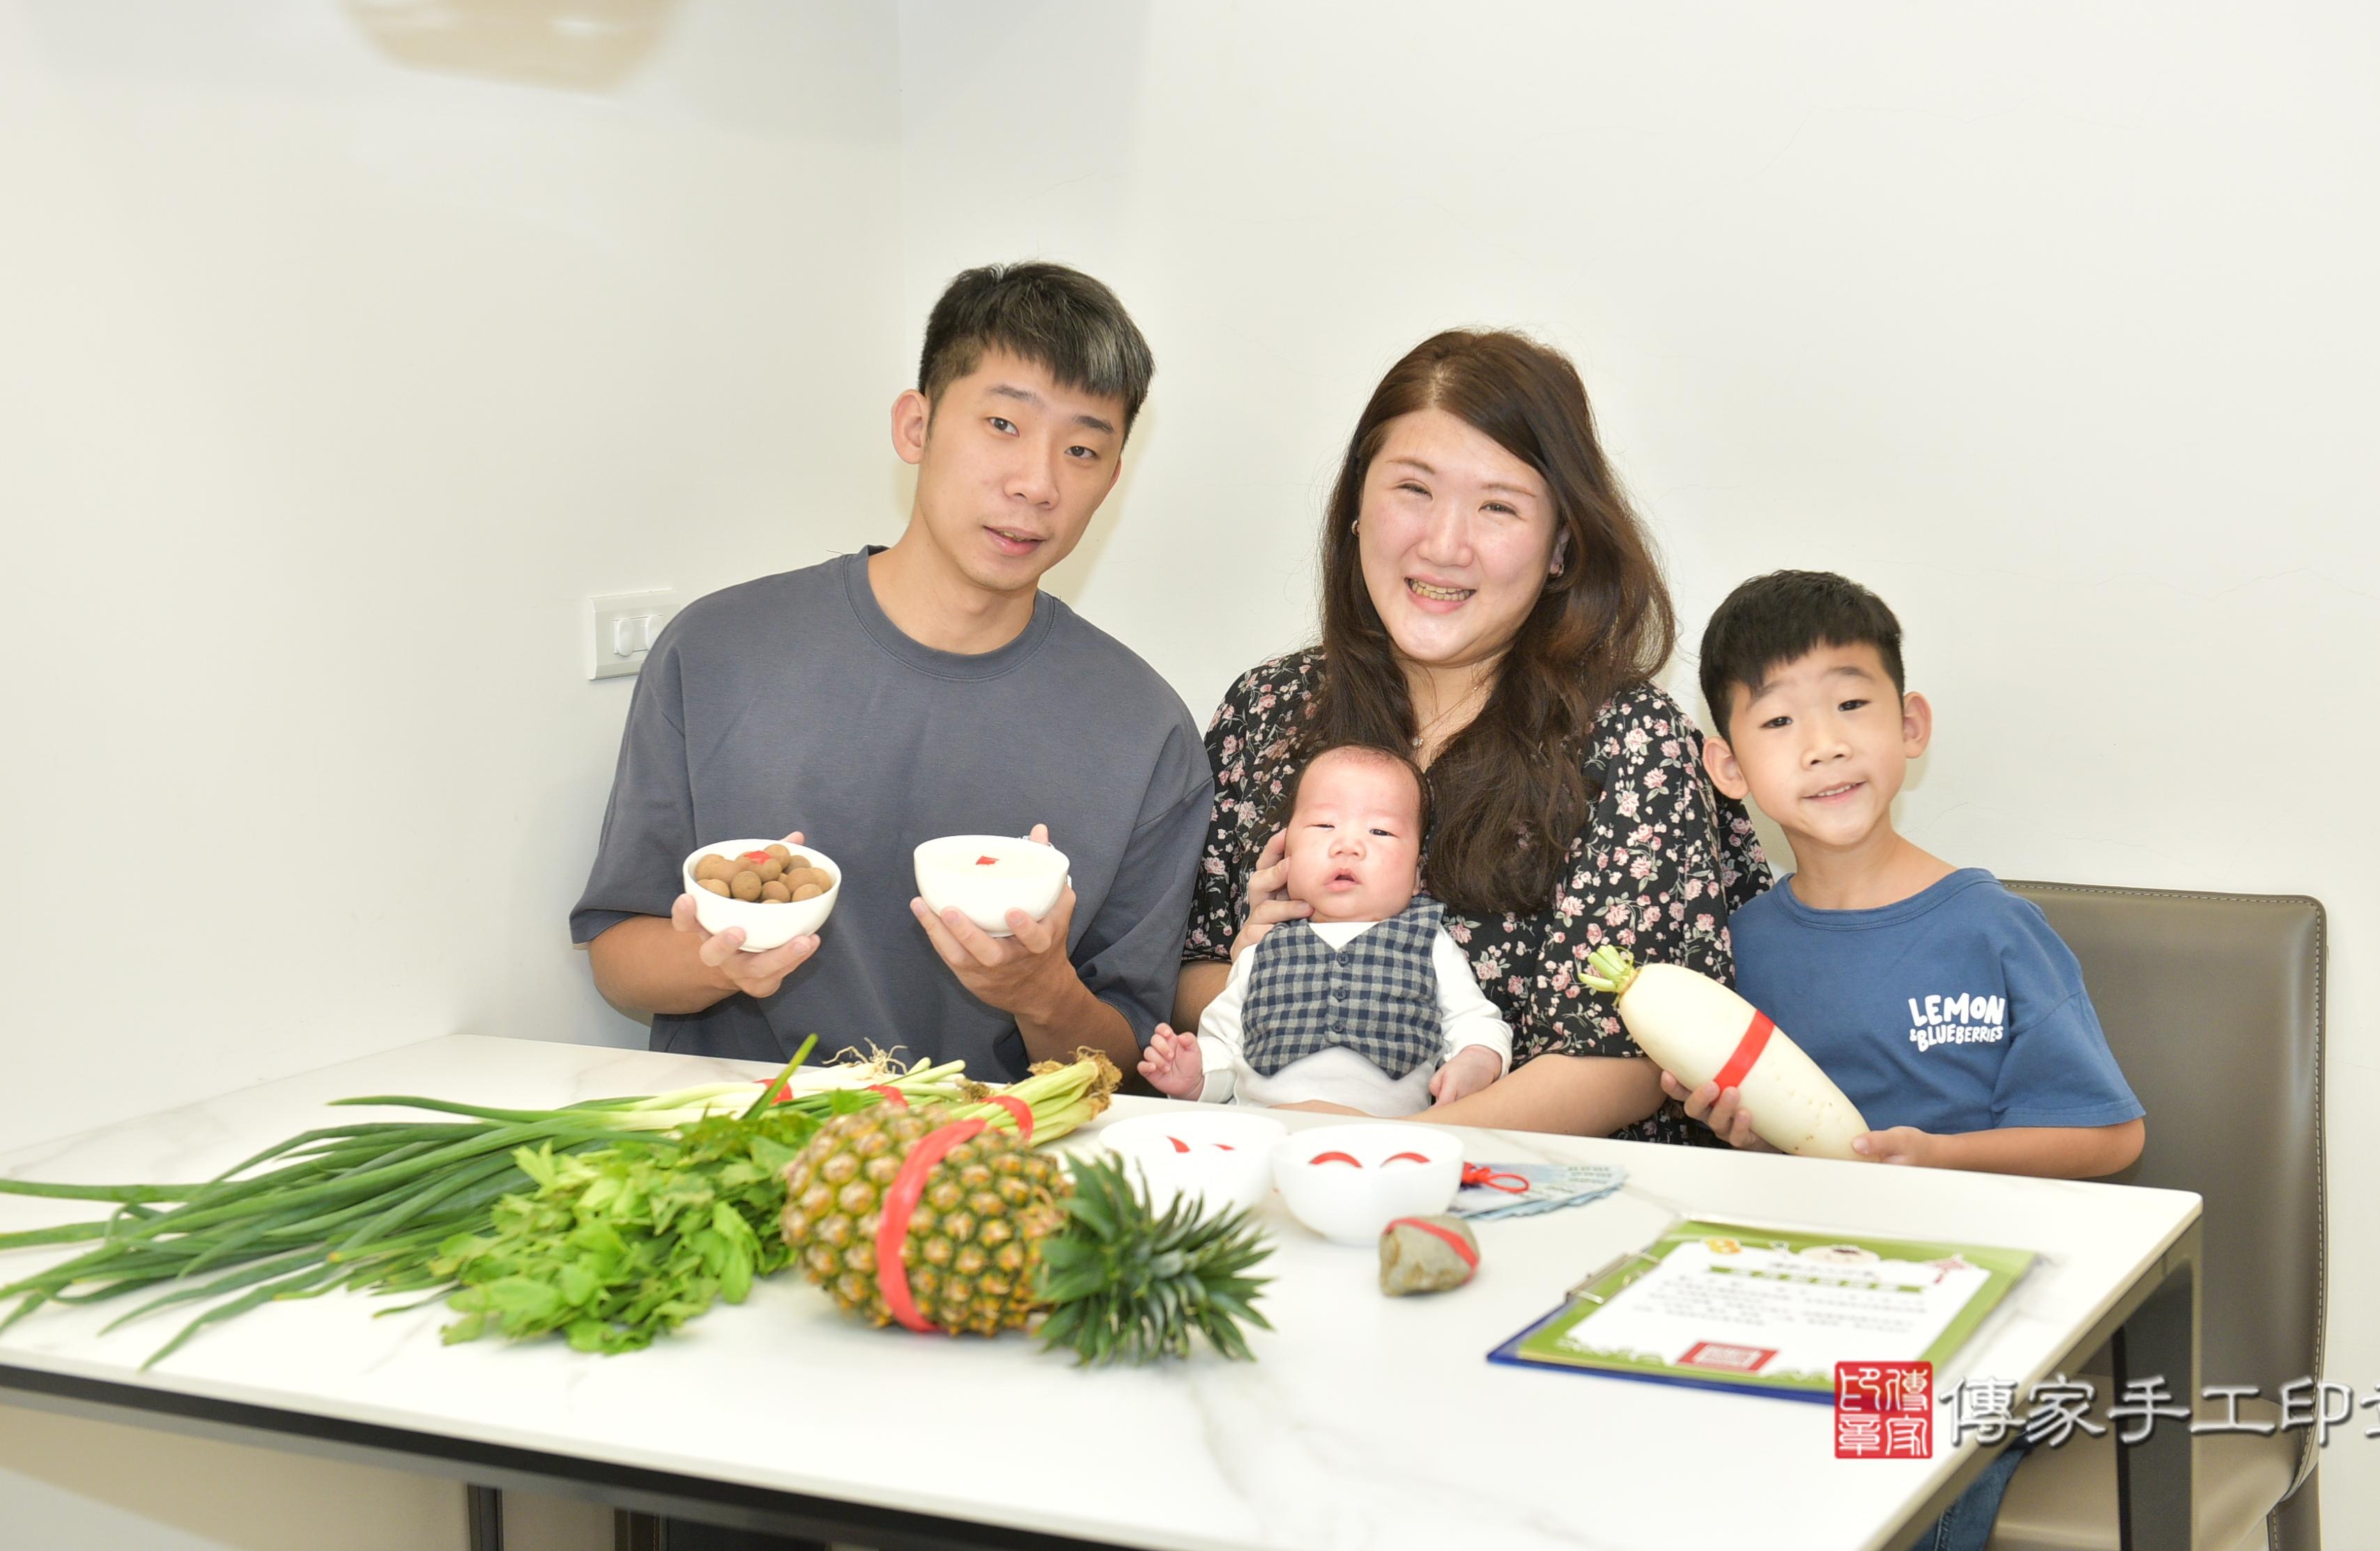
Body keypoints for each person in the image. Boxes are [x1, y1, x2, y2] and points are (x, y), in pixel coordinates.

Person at [571, 263, 1214, 1088]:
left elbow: (1121, 1059)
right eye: (1002, 424)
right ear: (915, 427)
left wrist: (1041, 991)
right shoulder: (719, 651)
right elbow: (619, 956)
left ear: (1112, 478)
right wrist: (721, 960)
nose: (1038, 482)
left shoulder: (1144, 728)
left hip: (992, 1168)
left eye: (1082, 448)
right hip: (733, 1156)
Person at [1180, 329, 1770, 1142]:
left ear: (1563, 544)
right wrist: (1261, 967)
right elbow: (1188, 972)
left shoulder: (1630, 742)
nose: (1443, 544)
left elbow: (1621, 1062)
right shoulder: (1268, 709)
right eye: (1412, 490)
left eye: (1498, 506)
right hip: (1271, 1185)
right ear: (1355, 504)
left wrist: (1381, 1148)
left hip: (1549, 1195)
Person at [1674, 570, 2147, 1551]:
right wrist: (1737, 1134)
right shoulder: (1738, 950)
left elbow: (2111, 1135)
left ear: (1911, 724)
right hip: (1809, 1298)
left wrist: (1942, 1158)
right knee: (1697, 1445)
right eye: (1779, 725)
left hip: (1991, 1298)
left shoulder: (1994, 929)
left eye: (1853, 705)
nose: (1826, 743)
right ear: (1728, 768)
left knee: (1881, 1474)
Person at [1139, 743, 1510, 1113]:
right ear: (1286, 856)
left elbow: (1474, 1019)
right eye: (1324, 825)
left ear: (1416, 877)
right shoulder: (1263, 946)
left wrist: (1477, 1059)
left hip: (1385, 1141)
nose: (1347, 845)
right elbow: (1225, 1046)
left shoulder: (1428, 941)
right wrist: (1195, 1076)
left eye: (1380, 832)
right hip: (1263, 1133)